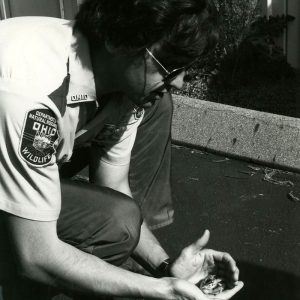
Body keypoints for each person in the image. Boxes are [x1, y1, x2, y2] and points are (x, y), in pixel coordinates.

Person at [0, 0, 244, 299]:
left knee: (119, 218)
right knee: (109, 226)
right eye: (171, 65)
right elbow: (36, 255)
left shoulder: (122, 80)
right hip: (15, 124)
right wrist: (160, 291)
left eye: (187, 70)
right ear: (119, 40)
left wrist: (166, 269)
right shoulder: (30, 93)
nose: (180, 82)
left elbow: (113, 187)